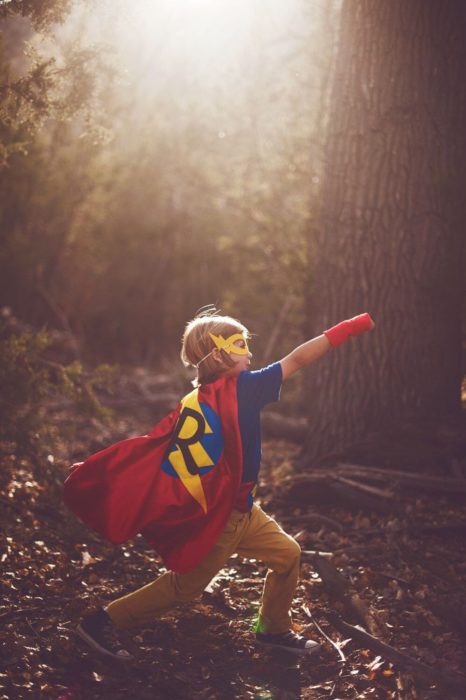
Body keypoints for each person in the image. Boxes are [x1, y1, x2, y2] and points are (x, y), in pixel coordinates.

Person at [71, 307, 374, 661]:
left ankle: (273, 630)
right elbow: (299, 358)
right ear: (218, 354)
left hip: (244, 512)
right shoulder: (243, 388)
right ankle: (102, 622)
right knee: (183, 589)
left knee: (288, 554)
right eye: (240, 344)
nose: (248, 353)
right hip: (221, 518)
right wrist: (348, 329)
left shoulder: (205, 396)